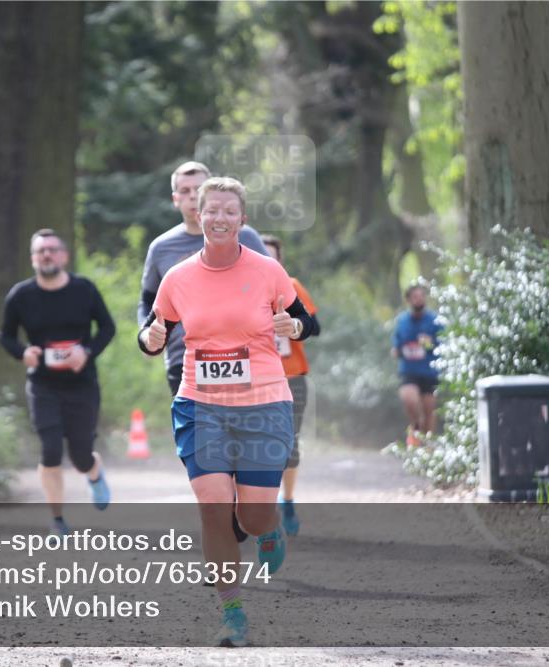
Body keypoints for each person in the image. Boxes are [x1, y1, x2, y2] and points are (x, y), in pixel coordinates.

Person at [138, 177, 317, 647]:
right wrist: (149, 341)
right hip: (201, 404)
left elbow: (307, 322)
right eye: (210, 210)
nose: (218, 218)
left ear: (242, 219)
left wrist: (294, 323)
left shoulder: (267, 271)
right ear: (198, 215)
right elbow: (153, 331)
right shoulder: (177, 277)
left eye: (228, 211)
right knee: (214, 507)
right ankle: (232, 612)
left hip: (263, 402)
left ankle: (268, 528)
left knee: (252, 516)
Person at [0, 229, 116, 535]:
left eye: (52, 249)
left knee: (80, 455)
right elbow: (5, 336)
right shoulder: (21, 296)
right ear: (33, 259)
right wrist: (24, 352)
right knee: (50, 449)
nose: (47, 255)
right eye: (40, 251)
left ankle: (93, 472)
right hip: (43, 385)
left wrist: (87, 351)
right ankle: (57, 520)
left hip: (82, 383)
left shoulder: (84, 290)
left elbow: (107, 328)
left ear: (64, 255)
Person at [138, 161, 270, 397]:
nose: (192, 196)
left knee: (244, 431)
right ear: (175, 199)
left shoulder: (246, 236)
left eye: (198, 189)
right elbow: (148, 301)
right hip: (185, 358)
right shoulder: (161, 247)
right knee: (198, 433)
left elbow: (275, 289)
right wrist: (147, 334)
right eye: (184, 191)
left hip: (246, 354)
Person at [259, 234, 319, 537]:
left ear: (281, 261)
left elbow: (314, 326)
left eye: (272, 255)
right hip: (254, 380)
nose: (266, 259)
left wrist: (292, 326)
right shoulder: (243, 288)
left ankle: (289, 501)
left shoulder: (291, 286)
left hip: (292, 377)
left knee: (289, 444)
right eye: (261, 253)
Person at [391, 284, 443, 447]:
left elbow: (444, 344)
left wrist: (429, 344)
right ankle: (415, 426)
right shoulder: (402, 321)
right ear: (408, 300)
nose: (419, 299)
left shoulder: (435, 321)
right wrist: (397, 351)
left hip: (429, 371)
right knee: (409, 399)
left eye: (422, 296)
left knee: (429, 411)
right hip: (409, 370)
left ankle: (427, 446)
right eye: (415, 297)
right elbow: (397, 345)